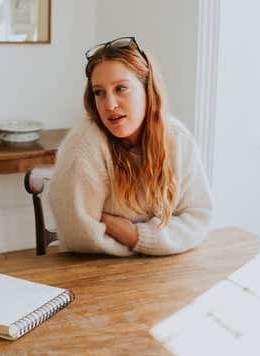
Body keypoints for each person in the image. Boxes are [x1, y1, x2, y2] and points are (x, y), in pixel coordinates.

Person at [49, 36, 212, 256]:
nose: (110, 105)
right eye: (99, 92)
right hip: (94, 272)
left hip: (164, 272)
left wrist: (135, 235)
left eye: (121, 88)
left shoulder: (177, 139)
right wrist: (164, 240)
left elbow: (197, 218)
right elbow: (79, 235)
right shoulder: (84, 145)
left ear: (148, 90)